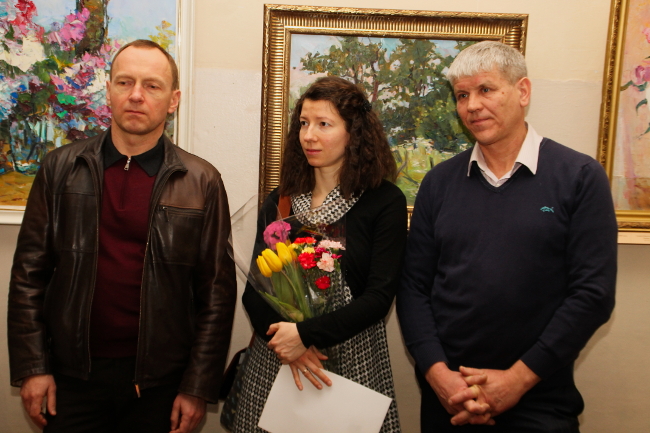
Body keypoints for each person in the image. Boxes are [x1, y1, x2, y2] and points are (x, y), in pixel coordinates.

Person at [7, 39, 237, 433]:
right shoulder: (59, 169)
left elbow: (216, 295)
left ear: (173, 100)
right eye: (125, 82)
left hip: (161, 387)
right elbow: (28, 277)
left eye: (152, 85)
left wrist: (197, 386)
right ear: (109, 90)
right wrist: (33, 367)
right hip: (70, 380)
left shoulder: (202, 182)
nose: (136, 95)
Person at [397, 41, 617, 432]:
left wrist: (516, 381)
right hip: (450, 398)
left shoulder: (579, 177)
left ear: (523, 91)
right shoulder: (438, 183)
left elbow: (593, 294)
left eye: (486, 89)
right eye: (462, 95)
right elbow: (413, 287)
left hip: (540, 399)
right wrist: (438, 375)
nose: (472, 106)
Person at [232, 76, 406, 433]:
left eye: (323, 124)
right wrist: (287, 343)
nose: (308, 135)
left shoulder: (384, 201)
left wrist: (305, 336)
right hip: (279, 361)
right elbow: (254, 292)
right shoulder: (281, 200)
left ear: (353, 133)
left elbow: (379, 297)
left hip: (354, 361)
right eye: (303, 123)